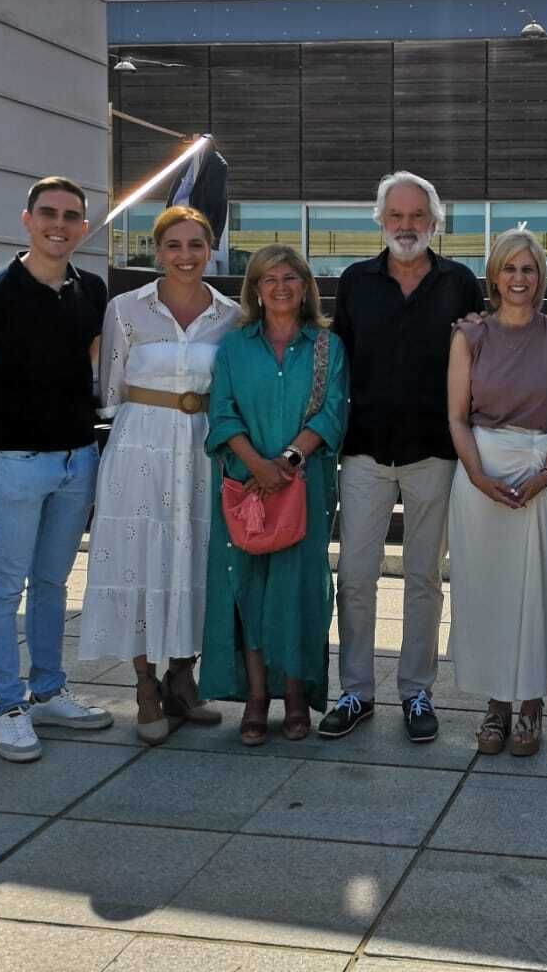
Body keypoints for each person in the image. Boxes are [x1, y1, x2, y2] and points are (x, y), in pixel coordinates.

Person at [0, 177, 112, 763]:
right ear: (26, 219)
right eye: (49, 212)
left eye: (72, 215)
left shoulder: (91, 289)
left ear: (84, 226)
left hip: (78, 459)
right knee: (3, 587)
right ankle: (8, 704)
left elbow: (90, 363)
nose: (60, 223)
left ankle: (47, 688)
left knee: (51, 583)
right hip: (15, 462)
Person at [323, 172, 485, 744]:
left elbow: (481, 359)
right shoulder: (356, 281)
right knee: (356, 575)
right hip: (365, 449)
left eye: (418, 216)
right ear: (381, 220)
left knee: (423, 577)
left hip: (434, 453)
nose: (407, 226)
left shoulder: (461, 282)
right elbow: (337, 363)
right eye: (397, 216)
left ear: (434, 221)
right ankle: (356, 691)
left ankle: (417, 690)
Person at [77, 207, 239, 745]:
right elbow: (112, 386)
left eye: (196, 244)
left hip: (203, 447)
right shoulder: (126, 308)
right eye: (174, 245)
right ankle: (145, 684)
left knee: (198, 554)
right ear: (157, 249)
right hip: (141, 446)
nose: (185, 256)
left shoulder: (230, 315)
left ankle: (182, 677)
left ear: (211, 247)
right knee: (141, 559)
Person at [202, 244, 346, 745]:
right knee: (247, 589)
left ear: (306, 286)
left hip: (304, 485)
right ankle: (258, 697)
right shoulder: (236, 346)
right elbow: (221, 412)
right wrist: (258, 465)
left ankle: (298, 694)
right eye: (269, 279)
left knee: (300, 590)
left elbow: (331, 413)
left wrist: (287, 461)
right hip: (244, 487)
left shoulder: (327, 346)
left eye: (291, 277)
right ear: (255, 290)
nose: (281, 287)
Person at [446, 229, 547, 757]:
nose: (519, 278)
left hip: (541, 470)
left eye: (528, 269)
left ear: (540, 276)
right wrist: (478, 476)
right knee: (487, 590)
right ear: (494, 276)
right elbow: (456, 416)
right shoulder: (470, 336)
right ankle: (496, 704)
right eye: (510, 269)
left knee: (537, 588)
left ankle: (531, 701)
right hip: (481, 469)